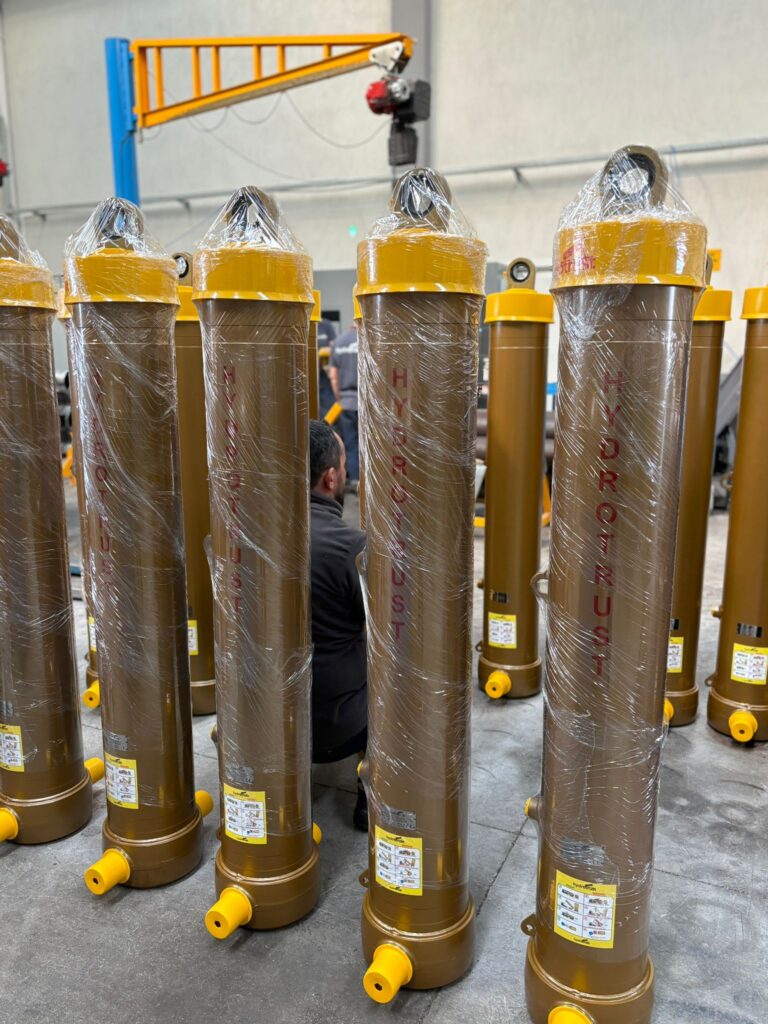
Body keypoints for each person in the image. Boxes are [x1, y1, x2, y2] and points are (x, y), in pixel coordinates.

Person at [308, 419, 367, 830]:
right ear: (331, 478)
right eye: (345, 467)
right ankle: (373, 792)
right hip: (337, 728)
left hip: (267, 720)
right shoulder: (351, 548)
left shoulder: (249, 537)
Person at [327, 320, 359, 488]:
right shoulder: (367, 339)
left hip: (346, 402)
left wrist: (340, 398)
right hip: (366, 403)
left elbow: (333, 376)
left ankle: (355, 479)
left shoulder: (339, 341)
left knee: (350, 442)